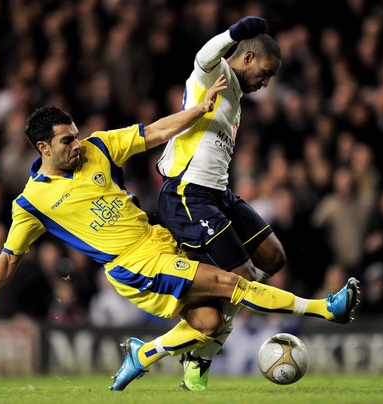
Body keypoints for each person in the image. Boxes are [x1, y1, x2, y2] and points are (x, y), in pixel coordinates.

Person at [0, 78, 360, 392]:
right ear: (43, 147)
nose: (76, 144)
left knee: (211, 323)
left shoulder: (96, 148)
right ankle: (327, 309)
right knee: (233, 280)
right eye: (67, 141)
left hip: (158, 241)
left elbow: (153, 133)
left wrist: (198, 110)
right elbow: (9, 257)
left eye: (76, 135)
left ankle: (143, 353)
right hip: (133, 265)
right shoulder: (31, 203)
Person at [155, 16, 288, 390]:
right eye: (266, 71)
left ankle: (203, 323)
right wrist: (235, 31)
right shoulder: (215, 75)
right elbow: (203, 56)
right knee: (242, 279)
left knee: (273, 257)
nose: (267, 81)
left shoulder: (238, 97)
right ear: (247, 56)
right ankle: (200, 354)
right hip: (187, 191)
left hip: (218, 194)